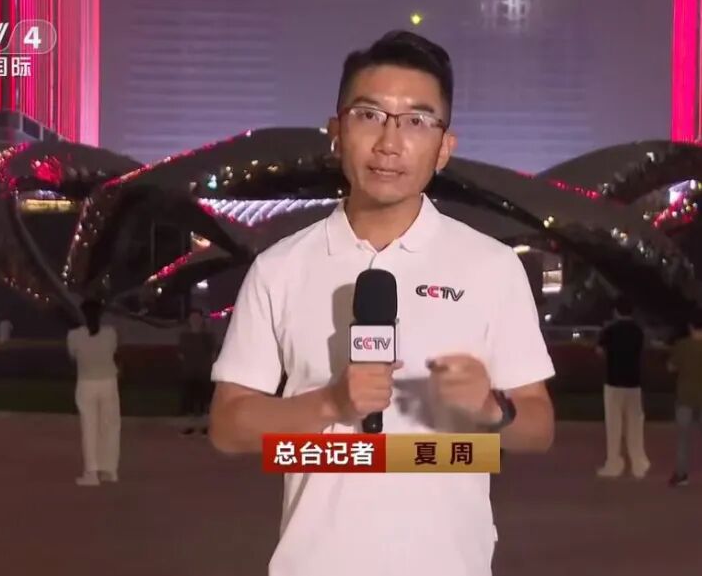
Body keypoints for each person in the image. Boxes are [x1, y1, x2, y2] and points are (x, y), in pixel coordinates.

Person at [208, 31, 555, 576]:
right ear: (336, 132)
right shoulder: (279, 268)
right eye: (369, 116)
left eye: (417, 121)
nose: (390, 143)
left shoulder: (491, 267)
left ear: (444, 148)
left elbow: (539, 427)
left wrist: (492, 411)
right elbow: (228, 427)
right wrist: (329, 404)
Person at [66, 299, 121, 487]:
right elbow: (113, 352)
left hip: (86, 382)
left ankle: (91, 472)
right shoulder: (110, 333)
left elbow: (73, 356)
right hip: (108, 381)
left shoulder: (74, 335)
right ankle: (110, 470)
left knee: (89, 427)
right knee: (110, 426)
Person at [595, 297, 649, 479]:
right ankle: (638, 464)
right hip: (634, 382)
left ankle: (614, 463)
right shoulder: (638, 331)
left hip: (613, 382)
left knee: (614, 426)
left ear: (616, 311)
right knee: (635, 425)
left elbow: (599, 351)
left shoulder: (609, 330)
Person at [667, 310, 702, 488]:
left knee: (683, 438)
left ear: (690, 326)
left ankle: (681, 474)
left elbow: (671, 367)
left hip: (685, 395)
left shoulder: (681, 345)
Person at [178, 309, 218, 436]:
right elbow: (181, 354)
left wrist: (209, 368)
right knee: (189, 401)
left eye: (197, 318)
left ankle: (205, 426)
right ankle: (190, 426)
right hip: (189, 372)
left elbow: (213, 354)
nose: (195, 320)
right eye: (192, 318)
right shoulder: (184, 336)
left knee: (205, 401)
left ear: (201, 320)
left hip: (204, 372)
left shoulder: (208, 336)